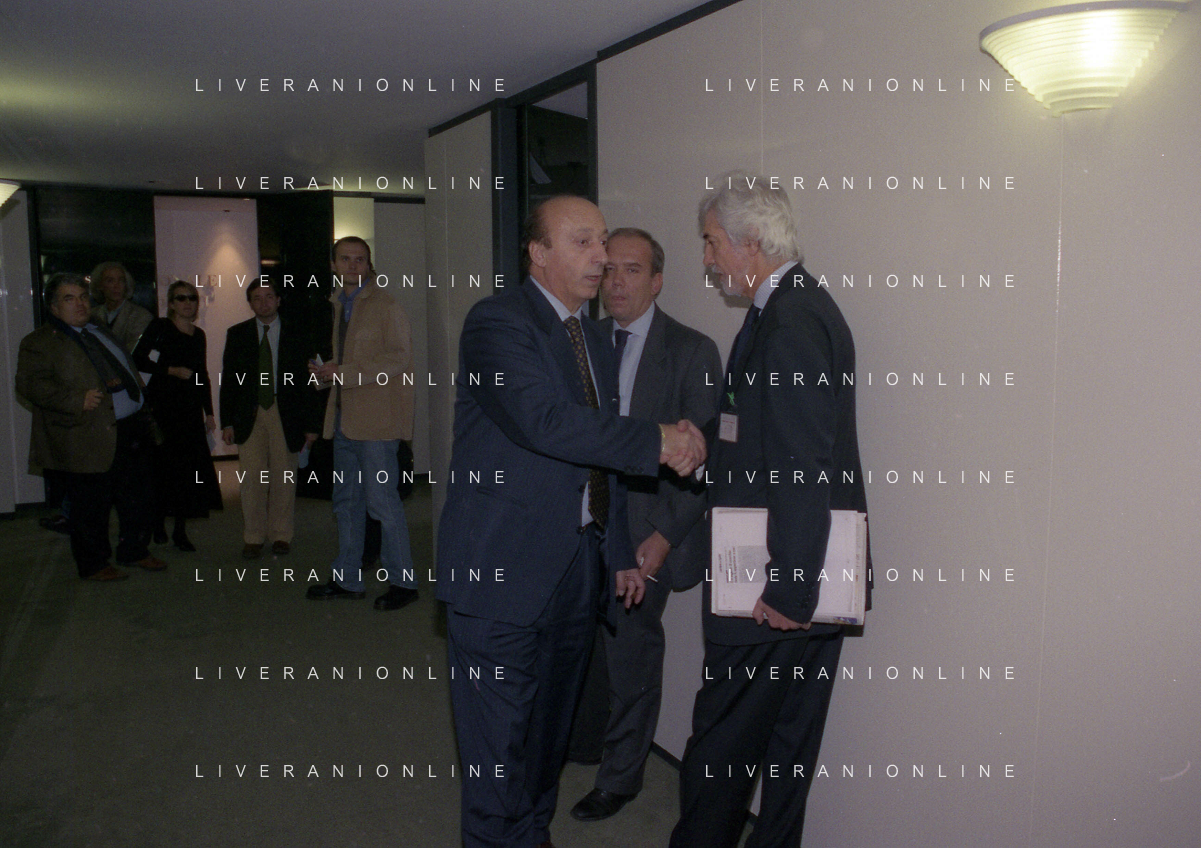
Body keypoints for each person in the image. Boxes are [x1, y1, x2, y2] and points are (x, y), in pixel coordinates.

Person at [436, 196, 707, 848]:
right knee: (497, 757)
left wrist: (618, 553)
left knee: (544, 744)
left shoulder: (591, 340)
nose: (601, 256)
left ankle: (532, 836)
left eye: (603, 241)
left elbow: (598, 468)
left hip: (573, 576)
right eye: (582, 241)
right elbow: (546, 423)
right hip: (499, 577)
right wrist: (659, 440)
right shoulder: (497, 323)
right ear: (538, 253)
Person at [669, 172, 871, 848]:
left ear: (749, 242)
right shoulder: (791, 308)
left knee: (721, 750)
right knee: (786, 752)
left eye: (710, 243)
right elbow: (769, 433)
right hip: (796, 576)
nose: (706, 259)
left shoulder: (789, 322)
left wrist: (788, 588)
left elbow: (801, 465)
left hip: (775, 589)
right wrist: (710, 444)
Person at [569, 228, 721, 822]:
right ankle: (584, 743)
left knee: (632, 653)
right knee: (583, 645)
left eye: (632, 270)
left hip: (647, 530)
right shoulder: (585, 341)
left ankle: (621, 777)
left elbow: (703, 459)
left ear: (656, 281)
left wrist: (663, 536)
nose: (616, 282)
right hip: (587, 522)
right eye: (609, 269)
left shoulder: (692, 350)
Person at [15, 272, 165, 581]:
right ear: (53, 307)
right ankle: (94, 564)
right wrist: (74, 399)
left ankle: (134, 550)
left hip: (130, 428)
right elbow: (30, 385)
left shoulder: (100, 330)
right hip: (85, 434)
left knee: (138, 496)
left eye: (83, 297)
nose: (80, 304)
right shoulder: (39, 342)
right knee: (90, 505)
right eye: (69, 299)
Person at [306, 237, 418, 610]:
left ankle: (404, 582)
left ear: (369, 265)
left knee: (382, 504)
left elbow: (399, 358)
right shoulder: (339, 305)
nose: (353, 265)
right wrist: (326, 373)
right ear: (334, 265)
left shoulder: (387, 305)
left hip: (377, 426)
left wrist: (345, 371)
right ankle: (347, 579)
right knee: (346, 502)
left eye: (360, 259)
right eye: (345, 259)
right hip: (343, 421)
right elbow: (345, 364)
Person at [219, 277, 320, 559]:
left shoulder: (297, 332)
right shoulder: (237, 334)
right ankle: (253, 536)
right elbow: (229, 380)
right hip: (248, 414)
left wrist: (312, 425)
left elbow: (309, 381)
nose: (263, 303)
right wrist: (227, 421)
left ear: (278, 300)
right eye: (257, 298)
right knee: (251, 478)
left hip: (285, 412)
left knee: (284, 475)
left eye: (268, 297)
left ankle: (281, 535)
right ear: (250, 303)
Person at [133, 280, 221, 551]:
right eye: (181, 298)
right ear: (171, 303)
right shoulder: (160, 327)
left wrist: (209, 412)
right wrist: (169, 370)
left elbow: (202, 374)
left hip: (189, 410)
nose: (187, 303)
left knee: (187, 471)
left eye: (192, 298)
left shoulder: (198, 335)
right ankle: (158, 522)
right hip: (163, 407)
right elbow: (137, 358)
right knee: (162, 468)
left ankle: (180, 530)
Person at [89, 261, 153, 353]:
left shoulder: (141, 316)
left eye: (121, 280)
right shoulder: (91, 315)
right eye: (110, 281)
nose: (117, 286)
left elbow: (135, 351)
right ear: (100, 285)